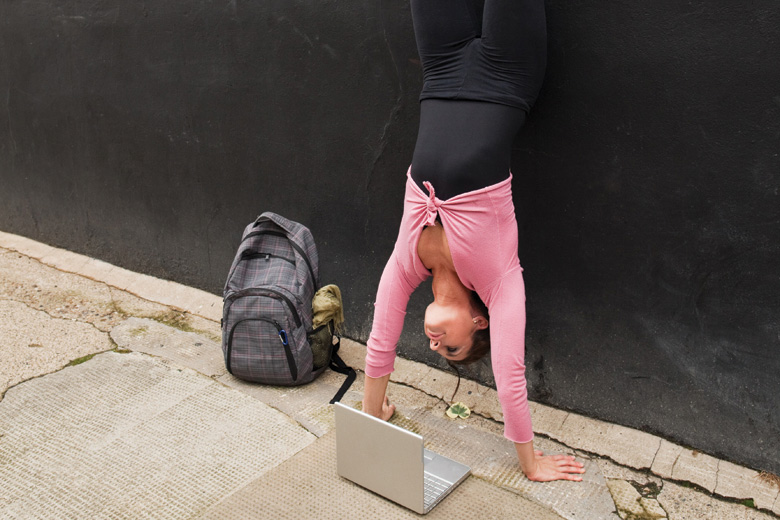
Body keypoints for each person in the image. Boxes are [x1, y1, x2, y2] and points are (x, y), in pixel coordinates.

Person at [361, 0, 585, 482]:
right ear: (479, 321)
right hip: (506, 77)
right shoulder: (500, 280)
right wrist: (530, 463)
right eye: (455, 350)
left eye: (438, 353)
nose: (437, 346)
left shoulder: (407, 264)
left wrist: (372, 414)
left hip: (441, 69)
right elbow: (509, 377)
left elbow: (381, 340)